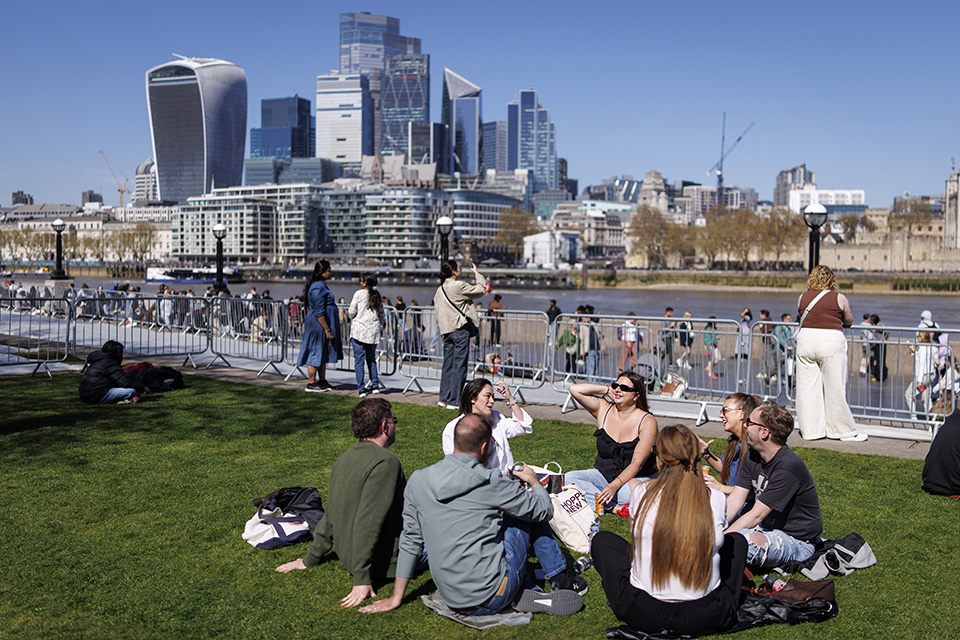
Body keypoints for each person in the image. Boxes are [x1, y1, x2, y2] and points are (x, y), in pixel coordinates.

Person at [361, 414, 583, 616]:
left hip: (451, 598)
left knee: (512, 514)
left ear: (456, 442)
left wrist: (396, 597)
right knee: (525, 512)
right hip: (493, 593)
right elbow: (545, 510)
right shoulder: (492, 481)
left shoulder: (419, 480)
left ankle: (527, 587)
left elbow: (410, 541)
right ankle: (556, 578)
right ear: (485, 446)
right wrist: (534, 481)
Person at [591, 425, 747, 637]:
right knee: (737, 541)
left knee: (603, 541)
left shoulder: (641, 494)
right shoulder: (715, 497)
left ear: (659, 459)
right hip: (707, 613)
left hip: (644, 612)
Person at [442, 379, 587, 595]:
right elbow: (460, 470)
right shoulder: (455, 429)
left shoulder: (496, 419)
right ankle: (558, 576)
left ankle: (557, 575)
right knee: (534, 514)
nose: (492, 401)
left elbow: (524, 426)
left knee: (532, 514)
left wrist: (510, 399)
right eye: (487, 396)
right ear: (472, 399)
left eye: (493, 396)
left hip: (506, 488)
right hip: (482, 494)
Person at [276, 398, 406, 608]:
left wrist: (310, 559)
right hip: (384, 563)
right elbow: (369, 520)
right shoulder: (386, 462)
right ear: (384, 426)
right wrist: (362, 577)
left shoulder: (344, 458)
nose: (394, 425)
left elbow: (331, 514)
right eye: (394, 421)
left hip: (348, 555)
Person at [726, 401, 823, 568]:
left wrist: (718, 540)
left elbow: (756, 515)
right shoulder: (752, 454)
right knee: (715, 532)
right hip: (765, 529)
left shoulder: (788, 466)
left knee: (743, 546)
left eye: (749, 422)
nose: (745, 426)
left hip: (796, 541)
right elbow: (735, 499)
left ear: (764, 432)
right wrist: (713, 528)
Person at [795, 265, 866, 441]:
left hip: (806, 341)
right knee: (835, 388)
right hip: (830, 342)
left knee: (807, 389)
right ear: (832, 280)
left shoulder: (802, 298)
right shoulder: (839, 298)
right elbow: (848, 319)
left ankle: (811, 431)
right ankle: (842, 430)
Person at [567, 371, 659, 510]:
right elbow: (574, 390)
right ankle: (613, 507)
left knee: (629, 493)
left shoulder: (647, 421)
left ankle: (600, 502)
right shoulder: (603, 409)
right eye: (616, 385)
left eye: (625, 388)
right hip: (603, 477)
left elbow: (637, 463)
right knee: (570, 478)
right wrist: (606, 390)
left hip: (633, 478)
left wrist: (614, 486)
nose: (618, 390)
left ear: (636, 395)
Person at [433, 259, 486, 409]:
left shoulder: (440, 290)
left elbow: (438, 311)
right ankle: (454, 401)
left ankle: (443, 398)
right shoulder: (458, 286)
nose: (461, 269)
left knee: (448, 365)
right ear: (454, 272)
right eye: (459, 268)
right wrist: (477, 273)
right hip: (460, 329)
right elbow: (480, 290)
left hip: (447, 330)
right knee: (460, 366)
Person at [700, 393, 759, 511]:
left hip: (742, 514)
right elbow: (726, 468)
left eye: (725, 410)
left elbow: (753, 493)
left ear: (741, 413)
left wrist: (720, 487)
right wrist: (705, 453)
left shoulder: (754, 449)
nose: (721, 415)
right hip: (728, 506)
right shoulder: (735, 442)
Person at [298, 260, 342, 393]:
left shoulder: (320, 285)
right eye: (329, 270)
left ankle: (322, 381)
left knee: (322, 351)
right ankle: (311, 383)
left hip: (322, 325)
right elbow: (318, 311)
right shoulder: (317, 287)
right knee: (315, 351)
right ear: (322, 272)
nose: (330, 272)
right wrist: (327, 329)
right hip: (318, 326)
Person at [348, 273, 385, 397]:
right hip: (372, 331)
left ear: (364, 283)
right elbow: (381, 315)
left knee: (359, 361)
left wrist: (352, 316)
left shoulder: (358, 294)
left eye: (361, 280)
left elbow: (351, 311)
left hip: (359, 330)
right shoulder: (377, 296)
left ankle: (361, 388)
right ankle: (375, 386)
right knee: (371, 360)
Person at [79, 340, 150, 404]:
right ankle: (124, 400)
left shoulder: (98, 360)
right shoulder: (109, 362)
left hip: (85, 395)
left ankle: (121, 400)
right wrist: (142, 387)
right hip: (97, 395)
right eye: (120, 354)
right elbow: (124, 382)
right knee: (132, 391)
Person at [907, 331, 939, 420]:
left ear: (922, 338)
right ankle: (930, 417)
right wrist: (914, 352)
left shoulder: (923, 348)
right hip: (929, 376)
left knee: (909, 394)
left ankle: (913, 416)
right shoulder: (931, 347)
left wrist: (919, 381)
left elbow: (922, 363)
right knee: (926, 397)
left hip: (922, 377)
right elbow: (925, 359)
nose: (917, 338)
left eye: (919, 336)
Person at [773, 313, 796, 387]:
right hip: (779, 350)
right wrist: (786, 346)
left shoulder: (788, 329)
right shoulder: (778, 328)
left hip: (788, 352)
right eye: (789, 319)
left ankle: (790, 384)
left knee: (790, 367)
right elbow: (780, 339)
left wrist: (795, 347)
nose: (791, 320)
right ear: (784, 319)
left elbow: (791, 339)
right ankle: (768, 379)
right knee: (777, 367)